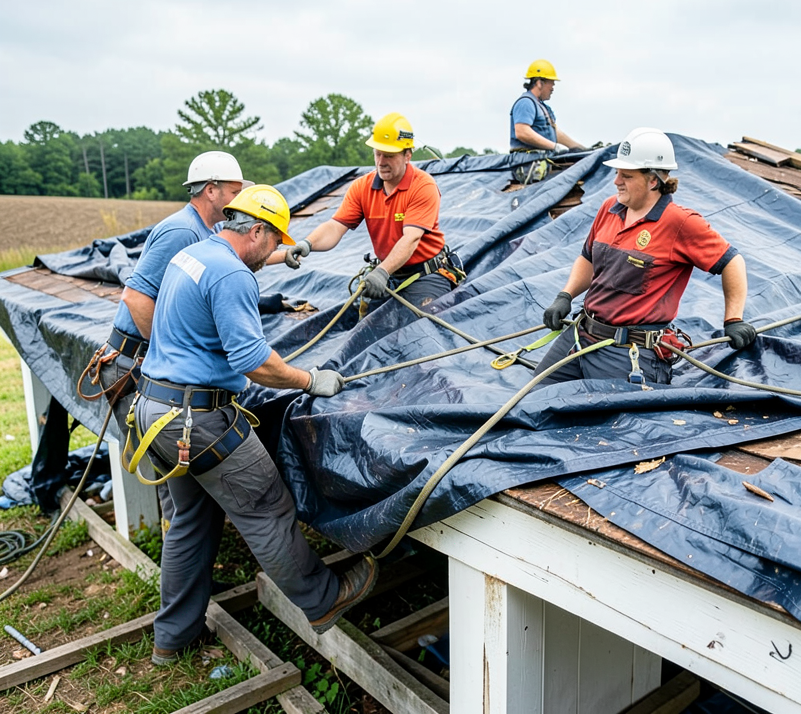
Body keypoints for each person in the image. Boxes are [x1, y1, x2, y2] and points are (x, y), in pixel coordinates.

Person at [129, 184, 377, 664]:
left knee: (190, 524)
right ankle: (325, 599)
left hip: (155, 411)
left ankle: (173, 639)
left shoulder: (194, 254)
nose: (273, 252)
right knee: (267, 508)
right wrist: (309, 380)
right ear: (257, 231)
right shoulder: (231, 275)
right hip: (196, 420)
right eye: (276, 240)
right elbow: (253, 362)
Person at [82, 150, 249, 531]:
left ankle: (183, 568)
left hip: (142, 361)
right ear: (212, 190)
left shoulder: (203, 229)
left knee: (180, 489)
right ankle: (181, 568)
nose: (239, 201)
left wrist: (282, 253)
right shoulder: (182, 231)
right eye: (235, 191)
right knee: (179, 492)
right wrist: (168, 356)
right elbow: (136, 297)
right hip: (134, 363)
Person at [536, 128, 757, 385]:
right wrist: (565, 296)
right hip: (581, 337)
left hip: (627, 352)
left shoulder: (680, 223)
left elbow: (732, 261)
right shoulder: (610, 208)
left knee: (614, 423)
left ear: (653, 180)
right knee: (533, 402)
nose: (616, 180)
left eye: (626, 175)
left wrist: (733, 319)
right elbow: (588, 258)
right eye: (617, 172)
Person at [270, 112, 462, 307]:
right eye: (377, 153)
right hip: (388, 274)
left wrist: (382, 272)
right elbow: (335, 227)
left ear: (407, 155)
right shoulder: (362, 187)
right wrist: (307, 243)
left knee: (423, 326)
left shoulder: (423, 186)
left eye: (389, 155)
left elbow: (411, 238)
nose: (381, 162)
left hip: (425, 276)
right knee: (369, 331)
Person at [509, 59, 586, 153]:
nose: (552, 88)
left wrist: (582, 149)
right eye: (551, 84)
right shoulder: (526, 103)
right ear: (539, 83)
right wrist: (554, 146)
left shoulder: (543, 107)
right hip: (527, 162)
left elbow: (556, 133)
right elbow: (522, 132)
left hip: (541, 160)